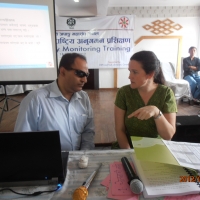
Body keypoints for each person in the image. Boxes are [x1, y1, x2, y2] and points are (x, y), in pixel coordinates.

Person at [14, 53, 95, 151]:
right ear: (63, 71)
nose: (85, 80)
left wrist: (84, 155)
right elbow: (23, 140)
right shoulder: (35, 100)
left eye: (86, 75)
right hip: (48, 163)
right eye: (80, 74)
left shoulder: (84, 98)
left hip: (79, 161)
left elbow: (88, 132)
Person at [114, 51, 177, 149]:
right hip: (128, 148)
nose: (129, 76)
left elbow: (168, 135)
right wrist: (129, 154)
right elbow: (119, 129)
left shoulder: (166, 93)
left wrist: (157, 112)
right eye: (129, 71)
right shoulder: (124, 93)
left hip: (155, 149)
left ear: (150, 74)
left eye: (135, 72)